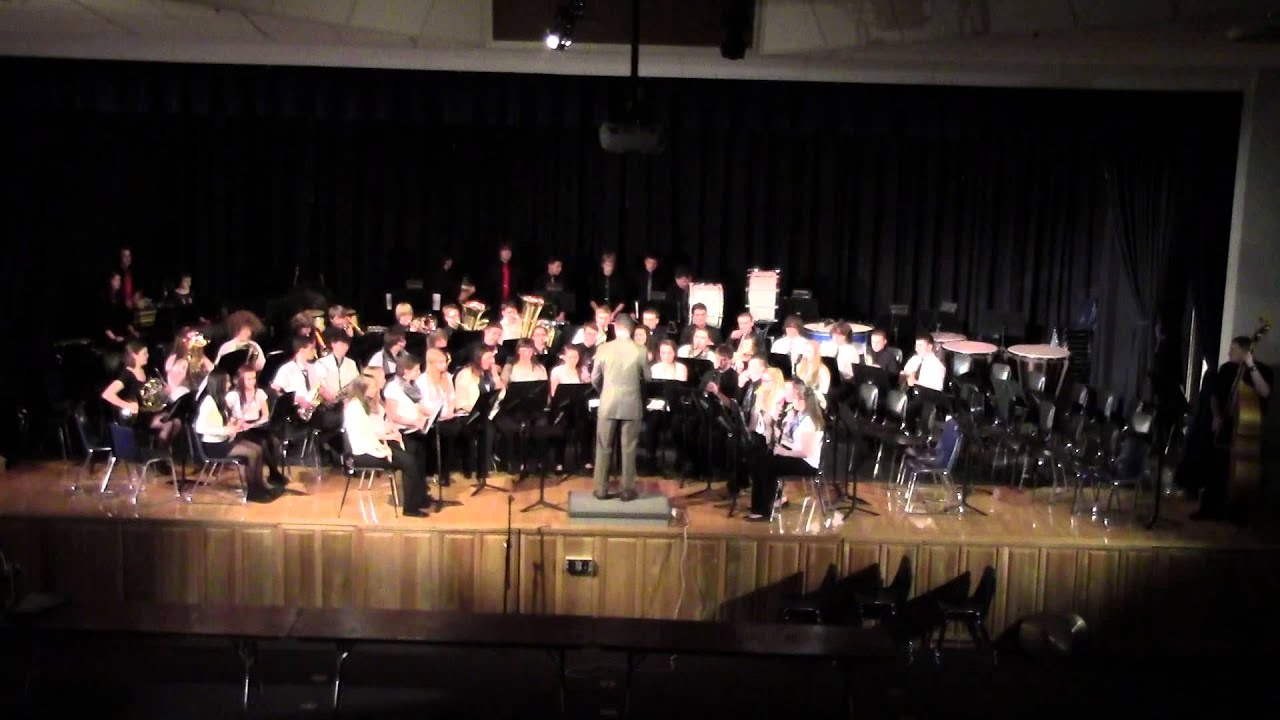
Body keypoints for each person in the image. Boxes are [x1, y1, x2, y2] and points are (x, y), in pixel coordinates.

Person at [1196, 335, 1274, 521]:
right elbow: (1215, 396)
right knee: (1215, 463)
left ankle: (1238, 510)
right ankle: (1210, 508)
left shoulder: (1263, 369)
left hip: (1247, 427)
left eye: (1234, 348)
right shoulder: (1226, 369)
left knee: (1242, 471)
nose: (1229, 352)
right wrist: (1217, 416)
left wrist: (1251, 365)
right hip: (1228, 422)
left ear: (1245, 351)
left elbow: (1264, 392)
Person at [347, 370, 431, 517]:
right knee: (409, 462)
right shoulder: (354, 407)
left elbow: (379, 425)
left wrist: (391, 431)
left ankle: (420, 498)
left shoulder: (372, 403)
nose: (376, 389)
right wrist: (386, 438)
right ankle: (410, 508)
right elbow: (364, 434)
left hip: (377, 444)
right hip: (365, 451)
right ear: (364, 389)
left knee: (415, 451)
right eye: (372, 387)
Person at [194, 371, 283, 502]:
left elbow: (222, 420)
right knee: (252, 453)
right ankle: (253, 491)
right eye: (227, 382)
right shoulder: (208, 402)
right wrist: (225, 430)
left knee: (258, 449)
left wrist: (233, 422)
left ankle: (259, 486)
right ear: (219, 384)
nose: (229, 384)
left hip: (223, 441)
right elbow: (199, 428)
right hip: (213, 446)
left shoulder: (220, 400)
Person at [745, 380, 825, 521]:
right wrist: (780, 437)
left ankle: (764, 510)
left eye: (794, 399)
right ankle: (761, 503)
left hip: (807, 464)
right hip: (796, 455)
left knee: (767, 466)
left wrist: (784, 452)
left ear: (802, 400)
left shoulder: (810, 421)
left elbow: (806, 452)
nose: (792, 402)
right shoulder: (800, 416)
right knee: (759, 459)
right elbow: (794, 442)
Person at [591, 314, 649, 501]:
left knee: (603, 446)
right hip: (631, 403)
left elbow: (594, 378)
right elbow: (647, 377)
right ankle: (626, 490)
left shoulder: (603, 348)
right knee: (629, 448)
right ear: (631, 329)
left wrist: (604, 391)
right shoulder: (640, 350)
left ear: (616, 328)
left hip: (608, 402)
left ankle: (601, 489)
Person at [101, 340, 182, 446]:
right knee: (168, 424)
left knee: (177, 422)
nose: (147, 356)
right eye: (144, 353)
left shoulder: (147, 371)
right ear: (134, 355)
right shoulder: (127, 374)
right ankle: (158, 455)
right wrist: (127, 405)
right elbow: (107, 394)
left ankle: (160, 451)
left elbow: (152, 392)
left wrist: (164, 390)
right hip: (138, 417)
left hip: (150, 412)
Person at [588, 252, 627, 321]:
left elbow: (622, 301)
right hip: (598, 311)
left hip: (614, 312)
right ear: (602, 265)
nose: (609, 267)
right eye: (607, 265)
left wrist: (613, 313)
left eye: (611, 265)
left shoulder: (620, 280)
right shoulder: (595, 279)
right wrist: (598, 312)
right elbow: (591, 299)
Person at [486, 242, 521, 306]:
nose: (507, 253)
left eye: (509, 251)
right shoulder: (492, 268)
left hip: (510, 302)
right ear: (500, 252)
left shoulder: (515, 269)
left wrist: (512, 301)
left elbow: (516, 287)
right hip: (495, 303)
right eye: (505, 250)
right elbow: (488, 288)